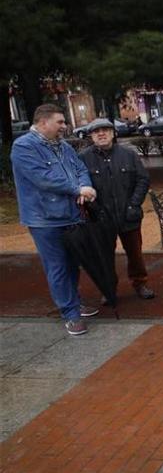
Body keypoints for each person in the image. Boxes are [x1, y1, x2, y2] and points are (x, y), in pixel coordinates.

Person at [11, 104, 99, 335]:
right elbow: (44, 179)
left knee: (72, 263)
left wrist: (86, 185)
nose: (64, 126)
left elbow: (80, 167)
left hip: (70, 215)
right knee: (57, 266)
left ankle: (74, 302)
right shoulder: (24, 147)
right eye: (59, 122)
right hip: (44, 219)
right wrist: (77, 190)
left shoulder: (63, 146)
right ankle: (70, 314)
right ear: (43, 122)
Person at [78, 118, 155, 301]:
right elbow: (81, 184)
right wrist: (95, 209)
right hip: (101, 218)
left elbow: (142, 179)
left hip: (128, 215)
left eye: (105, 130)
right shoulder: (83, 158)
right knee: (104, 256)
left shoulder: (128, 154)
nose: (101, 134)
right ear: (91, 136)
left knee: (135, 254)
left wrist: (133, 204)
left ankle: (140, 283)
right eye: (96, 132)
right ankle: (108, 289)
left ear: (113, 133)